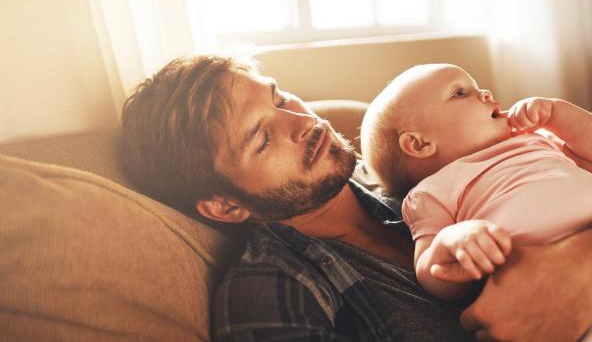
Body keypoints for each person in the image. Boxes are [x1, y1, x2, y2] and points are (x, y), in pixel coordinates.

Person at [121, 55, 592, 341]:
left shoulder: (421, 180)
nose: (303, 123)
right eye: (262, 139)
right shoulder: (273, 292)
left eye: (281, 99)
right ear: (225, 206)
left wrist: (576, 265)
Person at [360, 63, 592, 302]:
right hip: (544, 287)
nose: (486, 94)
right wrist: (450, 242)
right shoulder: (430, 192)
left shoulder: (535, 140)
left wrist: (557, 114)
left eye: (477, 87)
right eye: (460, 93)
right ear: (420, 144)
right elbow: (431, 273)